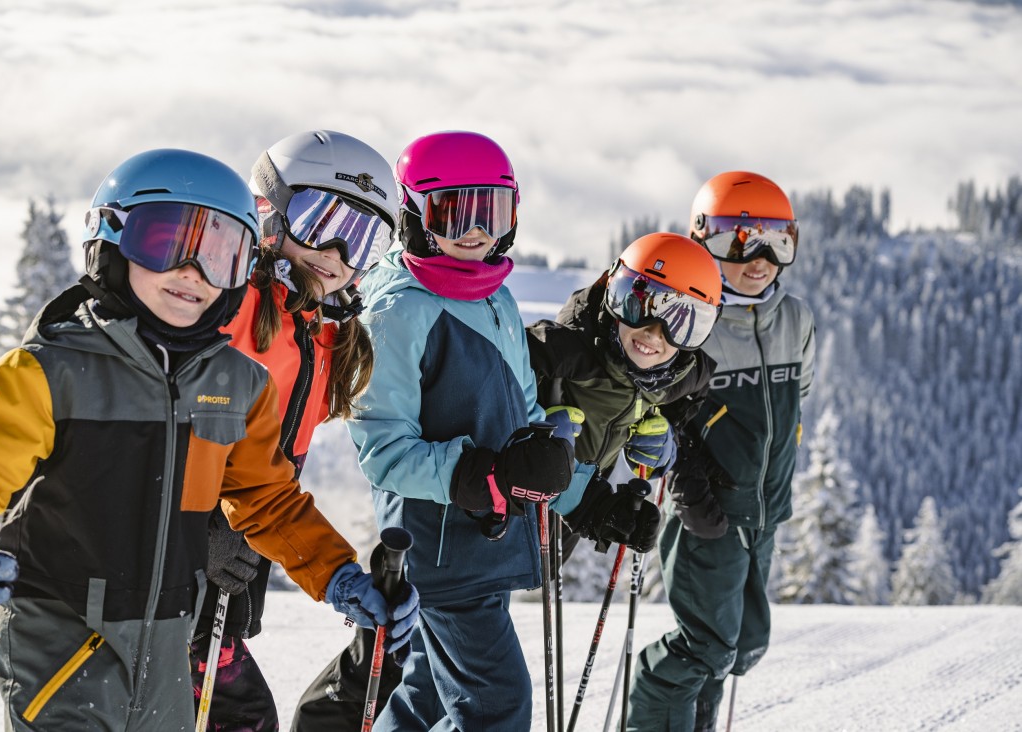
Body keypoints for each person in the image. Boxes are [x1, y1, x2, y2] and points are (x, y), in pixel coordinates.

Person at [0, 148, 419, 732]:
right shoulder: (51, 370)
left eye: (218, 256)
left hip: (167, 646)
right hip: (59, 644)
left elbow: (267, 498)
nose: (192, 273)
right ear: (111, 240)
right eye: (165, 245)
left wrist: (337, 575)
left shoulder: (238, 384)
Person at [343, 130, 660, 732]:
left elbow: (527, 430)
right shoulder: (396, 312)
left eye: (490, 209)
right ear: (413, 213)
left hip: (479, 543)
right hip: (439, 550)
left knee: (429, 700)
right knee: (496, 707)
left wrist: (589, 501)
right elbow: (383, 453)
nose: (474, 228)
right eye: (452, 210)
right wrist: (482, 475)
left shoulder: (494, 296)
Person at [186, 131, 400, 731]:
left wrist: (328, 571)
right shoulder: (232, 301)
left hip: (248, 538)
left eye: (361, 237)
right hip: (174, 554)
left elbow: (278, 464)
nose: (334, 250)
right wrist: (194, 533)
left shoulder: (324, 331)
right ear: (271, 213)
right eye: (322, 219)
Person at [626, 171, 816, 732]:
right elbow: (656, 413)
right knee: (705, 646)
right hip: (706, 515)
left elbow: (796, 400)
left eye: (776, 242)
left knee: (744, 646)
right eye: (740, 240)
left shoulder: (796, 320)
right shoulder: (693, 323)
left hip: (765, 513)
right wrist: (685, 479)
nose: (758, 259)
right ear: (704, 241)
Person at [526, 232, 723, 562]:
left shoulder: (680, 373)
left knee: (532, 574)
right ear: (615, 295)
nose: (653, 333)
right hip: (512, 499)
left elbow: (695, 390)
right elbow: (497, 378)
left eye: (678, 324)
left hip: (570, 519)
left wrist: (666, 435)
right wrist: (533, 419)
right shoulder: (566, 351)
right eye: (640, 308)